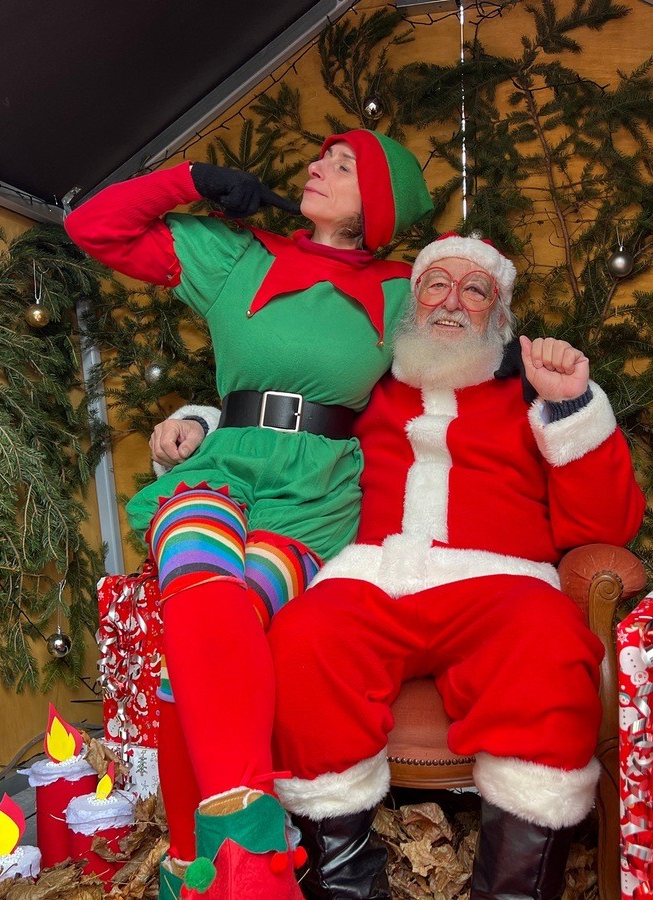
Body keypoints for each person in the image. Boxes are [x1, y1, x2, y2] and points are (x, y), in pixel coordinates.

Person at [65, 131, 432, 900]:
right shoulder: (239, 257)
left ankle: (193, 870)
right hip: (220, 467)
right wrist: (191, 179)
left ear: (380, 202)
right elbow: (93, 226)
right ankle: (254, 855)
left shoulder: (405, 294)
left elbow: (468, 368)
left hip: (314, 498)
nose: (317, 167)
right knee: (202, 587)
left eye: (343, 165)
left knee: (197, 659)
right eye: (321, 157)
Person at [267, 233, 646, 899]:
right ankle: (343, 887)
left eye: (475, 290)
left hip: (502, 585)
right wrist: (198, 428)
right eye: (436, 284)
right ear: (412, 303)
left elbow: (603, 529)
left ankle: (512, 891)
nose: (451, 301)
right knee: (303, 639)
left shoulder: (533, 399)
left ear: (498, 316)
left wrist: (572, 406)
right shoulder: (361, 386)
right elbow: (274, 434)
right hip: (371, 578)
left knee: (550, 645)